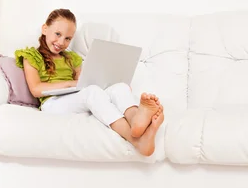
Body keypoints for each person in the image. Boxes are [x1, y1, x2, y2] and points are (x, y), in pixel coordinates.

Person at [15, 8, 164, 156]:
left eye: (67, 38)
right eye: (58, 34)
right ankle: (136, 140)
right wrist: (71, 84)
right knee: (91, 93)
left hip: (73, 96)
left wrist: (109, 82)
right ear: (45, 29)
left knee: (120, 87)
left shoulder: (72, 58)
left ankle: (136, 118)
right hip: (51, 103)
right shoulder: (31, 55)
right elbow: (35, 89)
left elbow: (84, 82)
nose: (61, 42)